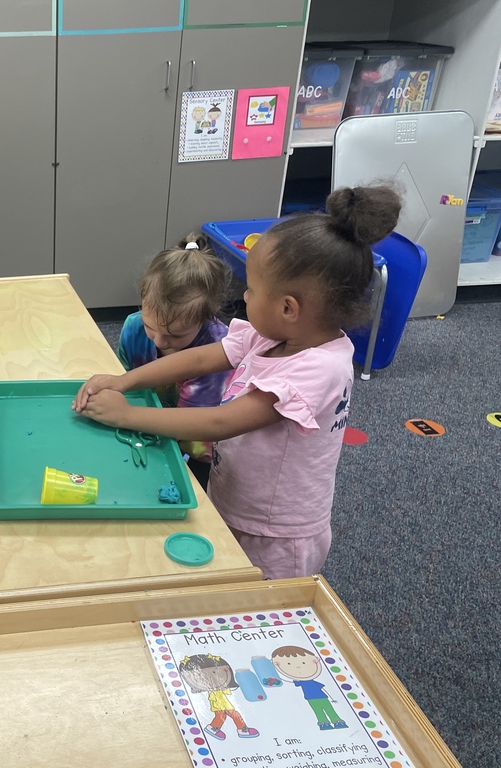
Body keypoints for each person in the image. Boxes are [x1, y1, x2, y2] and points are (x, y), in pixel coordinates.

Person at [74, 185, 402, 579]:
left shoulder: (318, 369)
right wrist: (124, 381)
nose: (244, 297)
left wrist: (126, 415)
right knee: (224, 581)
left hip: (277, 533)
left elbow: (221, 422)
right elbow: (196, 358)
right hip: (235, 497)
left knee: (261, 607)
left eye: (251, 288)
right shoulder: (272, 334)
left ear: (287, 308)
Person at [116, 232, 231, 487]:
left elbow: (191, 432)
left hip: (197, 443)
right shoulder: (134, 327)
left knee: (196, 491)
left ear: (205, 318)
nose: (158, 341)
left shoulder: (218, 351)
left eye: (174, 335)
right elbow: (124, 384)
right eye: (150, 327)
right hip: (145, 425)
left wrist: (127, 417)